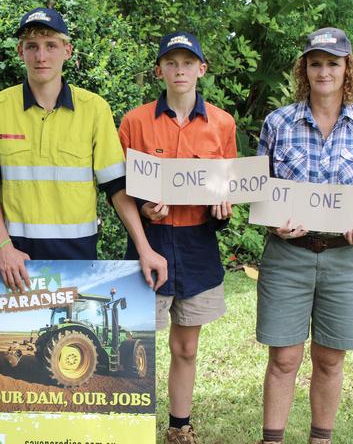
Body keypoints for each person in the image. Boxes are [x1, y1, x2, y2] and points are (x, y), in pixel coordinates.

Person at [0, 7, 167, 291]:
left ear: (67, 51)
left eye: (51, 45)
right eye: (33, 47)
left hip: (79, 258)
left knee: (74, 336)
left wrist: (144, 248)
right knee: (18, 338)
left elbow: (116, 186)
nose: (41, 56)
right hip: (16, 260)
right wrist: (3, 246)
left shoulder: (94, 109)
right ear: (20, 51)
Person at [255, 27, 353, 444]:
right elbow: (259, 189)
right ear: (305, 69)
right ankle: (272, 439)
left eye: (333, 63)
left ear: (348, 70)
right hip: (288, 255)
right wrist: (273, 221)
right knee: (285, 358)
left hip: (347, 259)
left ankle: (320, 439)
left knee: (329, 358)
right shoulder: (278, 123)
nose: (324, 71)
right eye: (316, 63)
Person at [118, 31, 237, 444]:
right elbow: (122, 193)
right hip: (148, 244)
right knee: (135, 346)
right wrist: (146, 209)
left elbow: (228, 191)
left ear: (201, 69)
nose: (180, 69)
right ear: (159, 71)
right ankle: (130, 428)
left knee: (186, 347)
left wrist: (224, 208)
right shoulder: (134, 121)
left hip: (198, 246)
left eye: (188, 62)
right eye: (171, 62)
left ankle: (179, 426)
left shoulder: (222, 123)